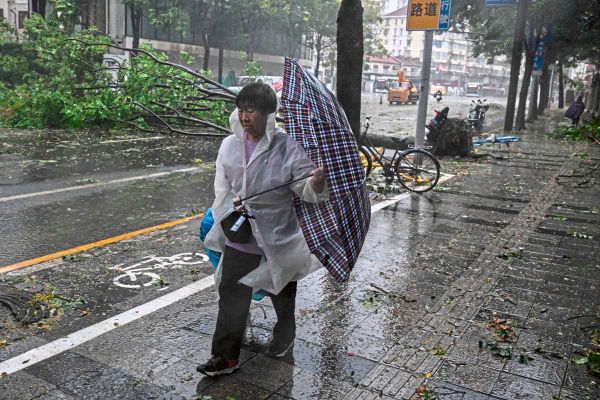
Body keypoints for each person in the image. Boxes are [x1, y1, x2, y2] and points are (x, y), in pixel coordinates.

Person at [199, 83, 329, 376]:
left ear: (268, 114)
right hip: (242, 230)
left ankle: (285, 334)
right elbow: (223, 186)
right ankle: (225, 357)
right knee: (232, 290)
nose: (245, 117)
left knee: (281, 291)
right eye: (241, 109)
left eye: (252, 110)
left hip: (278, 234)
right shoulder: (229, 145)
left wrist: (316, 182)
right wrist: (228, 207)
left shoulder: (286, 146)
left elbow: (305, 189)